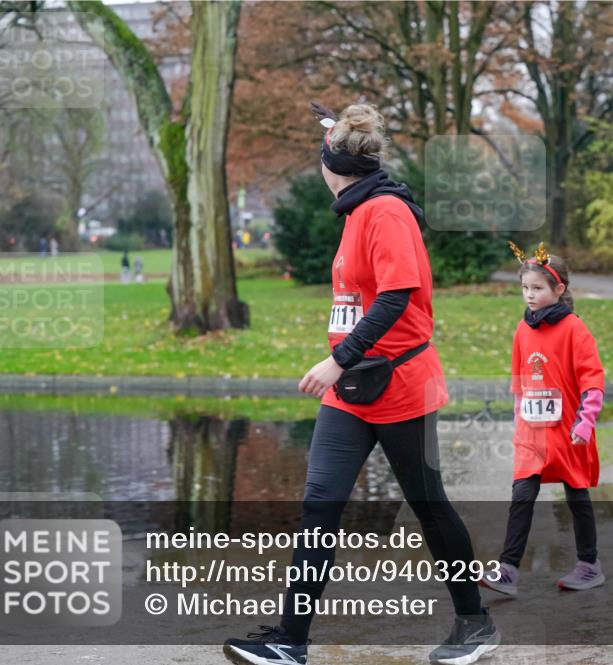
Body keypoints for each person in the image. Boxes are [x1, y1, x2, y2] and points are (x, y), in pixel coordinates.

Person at [223, 102, 498, 665]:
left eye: (320, 160)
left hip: (399, 385)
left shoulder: (385, 213)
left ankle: (475, 624)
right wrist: (344, 365)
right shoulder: (356, 210)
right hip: (352, 391)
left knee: (428, 505)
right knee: (320, 504)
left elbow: (397, 298)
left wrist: (338, 359)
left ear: (332, 166)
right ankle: (290, 643)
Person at [480, 242, 606, 597]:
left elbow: (593, 381)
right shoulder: (523, 330)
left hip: (569, 431)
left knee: (576, 496)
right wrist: (519, 416)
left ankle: (589, 565)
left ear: (559, 289)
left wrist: (585, 422)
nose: (529, 295)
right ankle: (508, 570)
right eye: (525, 288)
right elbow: (519, 381)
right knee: (522, 494)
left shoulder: (574, 330)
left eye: (537, 288)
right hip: (531, 433)